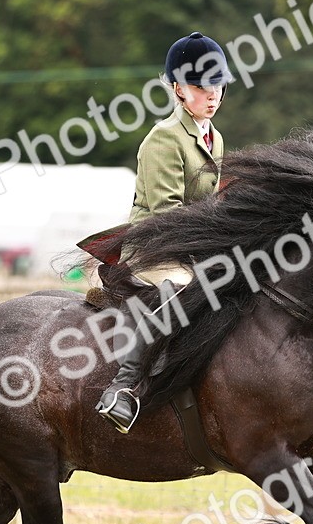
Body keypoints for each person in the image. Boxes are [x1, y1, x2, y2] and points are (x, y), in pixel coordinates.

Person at [92, 31, 231, 433]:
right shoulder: (164, 138)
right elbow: (166, 212)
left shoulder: (214, 137)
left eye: (218, 84)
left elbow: (211, 205)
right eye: (202, 86)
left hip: (191, 241)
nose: (213, 94)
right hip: (154, 244)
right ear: (177, 89)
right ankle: (122, 388)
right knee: (181, 291)